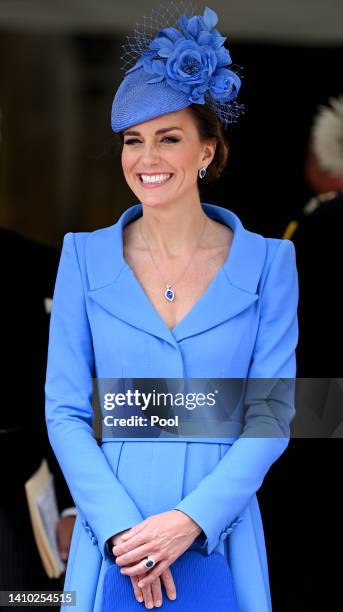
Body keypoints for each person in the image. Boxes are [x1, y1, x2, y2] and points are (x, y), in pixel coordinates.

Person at [45, 4, 298, 611]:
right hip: (113, 535)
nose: (146, 159)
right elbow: (65, 412)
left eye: (169, 138)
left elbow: (270, 416)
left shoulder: (269, 263)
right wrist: (123, 533)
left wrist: (188, 521)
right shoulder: (82, 257)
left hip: (218, 531)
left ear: (207, 151)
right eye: (134, 141)